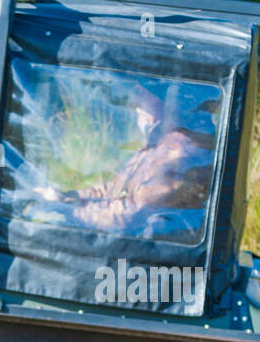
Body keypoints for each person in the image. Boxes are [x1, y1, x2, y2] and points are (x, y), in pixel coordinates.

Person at [31, 86, 215, 232]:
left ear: (154, 117)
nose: (137, 115)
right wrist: (71, 195)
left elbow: (121, 217)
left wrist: (67, 208)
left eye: (140, 110)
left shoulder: (171, 173)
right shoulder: (154, 150)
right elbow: (114, 186)